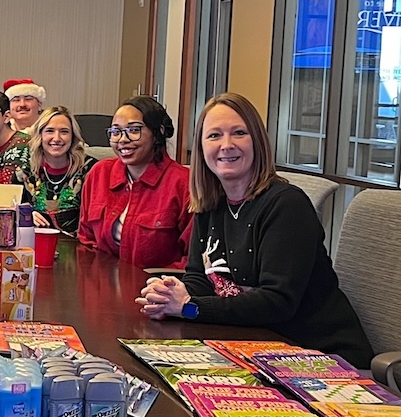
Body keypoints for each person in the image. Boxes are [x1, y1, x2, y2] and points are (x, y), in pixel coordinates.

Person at [137, 93, 373, 367]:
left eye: (239, 133)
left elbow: (276, 302)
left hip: (324, 358)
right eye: (214, 136)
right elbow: (200, 279)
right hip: (256, 347)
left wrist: (189, 306)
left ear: (258, 142)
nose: (226, 145)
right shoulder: (210, 205)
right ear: (201, 148)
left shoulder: (287, 205)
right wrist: (170, 293)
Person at [77, 95, 191, 269]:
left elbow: (192, 259)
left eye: (134, 130)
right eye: (115, 132)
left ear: (158, 132)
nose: (122, 139)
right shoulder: (99, 174)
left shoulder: (183, 184)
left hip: (157, 290)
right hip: (103, 286)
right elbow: (86, 239)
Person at [18, 106, 97, 236]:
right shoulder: (25, 172)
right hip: (36, 244)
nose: (57, 138)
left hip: (80, 246)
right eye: (49, 131)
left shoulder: (91, 169)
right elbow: (12, 210)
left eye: (64, 132)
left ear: (73, 136)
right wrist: (25, 216)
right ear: (40, 136)